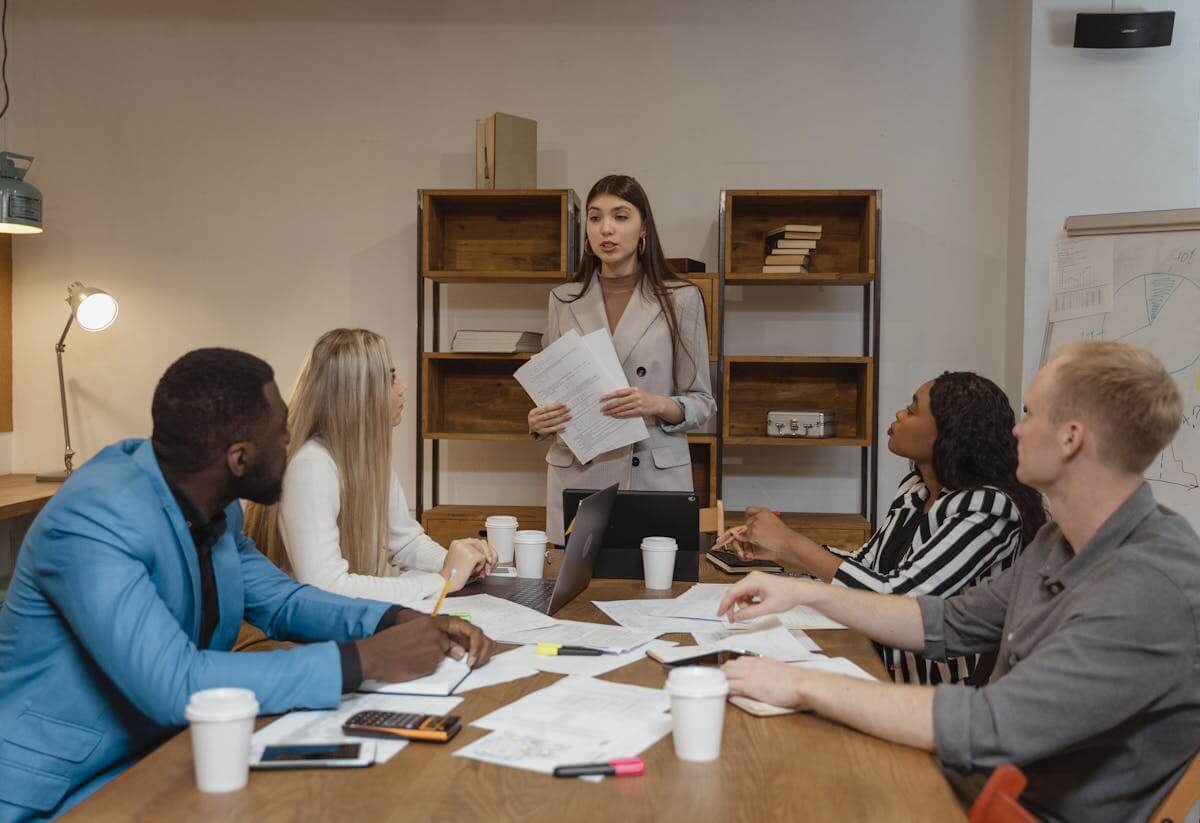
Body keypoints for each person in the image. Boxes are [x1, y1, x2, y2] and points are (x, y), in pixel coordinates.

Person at [0, 349, 494, 822]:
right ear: (239, 458)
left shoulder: (215, 505)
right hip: (62, 789)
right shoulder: (94, 520)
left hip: (170, 755)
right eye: (282, 437)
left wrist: (391, 620)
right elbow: (176, 684)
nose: (292, 447)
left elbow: (282, 602)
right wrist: (365, 659)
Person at [717, 341, 1199, 823]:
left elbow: (992, 726)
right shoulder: (1060, 540)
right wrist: (801, 590)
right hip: (983, 782)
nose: (1016, 429)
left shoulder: (1146, 586)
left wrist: (802, 685)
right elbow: (944, 621)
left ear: (1071, 438)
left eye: (1030, 414)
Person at [716, 371, 1046, 684]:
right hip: (880, 665)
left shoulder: (988, 507)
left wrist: (794, 545)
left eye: (913, 410)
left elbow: (901, 600)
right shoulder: (917, 489)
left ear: (948, 432)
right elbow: (866, 566)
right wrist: (781, 554)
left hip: (937, 691)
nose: (900, 414)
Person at [528, 174, 715, 544]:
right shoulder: (563, 300)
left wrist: (655, 403)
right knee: (574, 598)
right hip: (580, 476)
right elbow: (554, 390)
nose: (606, 229)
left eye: (620, 216)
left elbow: (703, 403)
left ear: (643, 228)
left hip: (651, 475)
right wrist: (539, 420)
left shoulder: (681, 299)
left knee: (653, 596)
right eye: (595, 218)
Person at [244, 329, 494, 605]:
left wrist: (460, 564)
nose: (403, 386)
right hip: (301, 631)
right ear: (359, 394)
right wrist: (442, 578)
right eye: (390, 378)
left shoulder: (366, 458)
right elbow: (327, 587)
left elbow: (406, 543)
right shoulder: (311, 466)